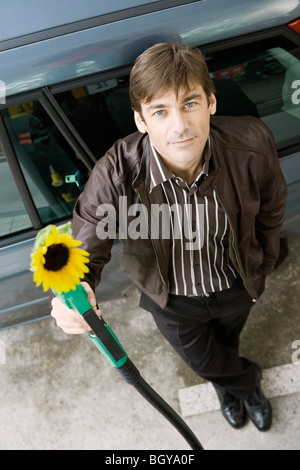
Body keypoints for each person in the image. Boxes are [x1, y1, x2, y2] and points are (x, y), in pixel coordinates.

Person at [51, 43, 287, 431]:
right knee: (202, 359)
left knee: (228, 342)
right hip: (173, 301)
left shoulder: (252, 142)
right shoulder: (115, 173)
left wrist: (261, 261)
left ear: (211, 102)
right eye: (160, 111)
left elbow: (271, 209)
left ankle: (226, 384)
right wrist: (68, 294)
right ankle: (244, 385)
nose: (179, 125)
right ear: (141, 120)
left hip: (237, 285)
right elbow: (84, 243)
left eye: (190, 103)